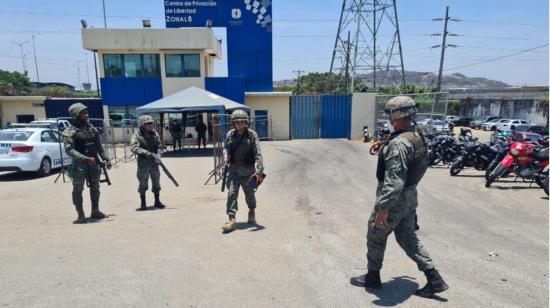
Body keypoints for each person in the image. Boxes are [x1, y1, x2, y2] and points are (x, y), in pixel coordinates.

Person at [350, 96, 449, 298]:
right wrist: (386, 147)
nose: (388, 117)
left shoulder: (399, 144)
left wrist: (382, 209)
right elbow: (417, 166)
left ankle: (372, 277)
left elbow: (394, 182)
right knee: (407, 237)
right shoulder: (416, 135)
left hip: (395, 199)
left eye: (389, 114)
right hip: (409, 196)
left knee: (375, 234)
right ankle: (434, 278)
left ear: (396, 115)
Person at [63, 103, 112, 224]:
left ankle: (95, 211)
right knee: (78, 190)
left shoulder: (91, 129)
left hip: (94, 164)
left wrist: (106, 159)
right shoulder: (70, 131)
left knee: (95, 188)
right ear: (77, 115)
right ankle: (80, 214)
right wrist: (84, 158)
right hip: (79, 166)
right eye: (84, 113)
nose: (87, 115)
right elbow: (69, 149)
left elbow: (99, 147)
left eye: (87, 113)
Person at [222, 110, 265, 233]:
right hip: (233, 171)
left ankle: (251, 211)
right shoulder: (230, 135)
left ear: (246, 123)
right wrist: (225, 155)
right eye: (237, 122)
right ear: (233, 123)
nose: (239, 124)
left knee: (250, 195)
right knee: (231, 194)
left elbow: (258, 154)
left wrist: (258, 171)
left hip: (248, 172)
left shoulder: (252, 135)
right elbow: (226, 148)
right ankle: (231, 219)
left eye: (242, 122)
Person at [130, 115, 167, 211]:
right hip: (143, 163)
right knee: (143, 182)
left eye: (151, 123)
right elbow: (133, 147)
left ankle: (157, 201)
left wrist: (158, 155)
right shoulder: (137, 135)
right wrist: (146, 153)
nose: (151, 125)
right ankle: (143, 202)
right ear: (143, 125)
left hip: (154, 162)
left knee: (156, 181)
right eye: (148, 124)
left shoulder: (155, 134)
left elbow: (160, 145)